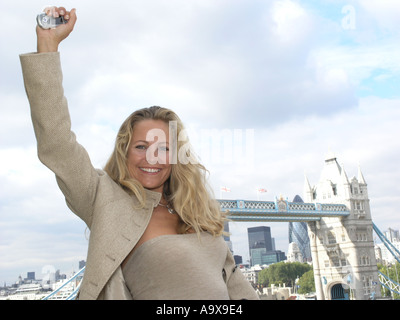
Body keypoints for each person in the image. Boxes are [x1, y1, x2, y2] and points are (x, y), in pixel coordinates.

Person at [20, 6, 259, 300]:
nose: (153, 158)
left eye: (163, 148)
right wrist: (47, 46)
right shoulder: (102, 200)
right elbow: (56, 143)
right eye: (141, 147)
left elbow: (236, 288)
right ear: (125, 151)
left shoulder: (197, 212)